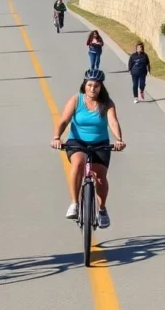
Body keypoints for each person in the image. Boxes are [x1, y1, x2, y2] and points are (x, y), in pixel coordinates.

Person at [50, 69, 126, 229]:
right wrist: (57, 137)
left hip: (100, 143)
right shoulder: (76, 100)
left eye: (96, 86)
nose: (92, 89)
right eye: (89, 85)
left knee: (100, 177)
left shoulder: (107, 103)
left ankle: (102, 209)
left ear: (101, 87)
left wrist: (119, 140)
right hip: (77, 142)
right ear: (84, 85)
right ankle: (74, 203)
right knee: (78, 163)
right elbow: (64, 120)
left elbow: (113, 122)